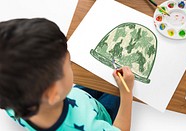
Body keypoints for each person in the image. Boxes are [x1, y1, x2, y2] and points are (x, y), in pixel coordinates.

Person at [0, 18, 134, 131]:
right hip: (101, 112)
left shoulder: (13, 104)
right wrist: (127, 94)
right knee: (116, 90)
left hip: (78, 98)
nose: (71, 65)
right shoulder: (86, 125)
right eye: (69, 64)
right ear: (52, 93)